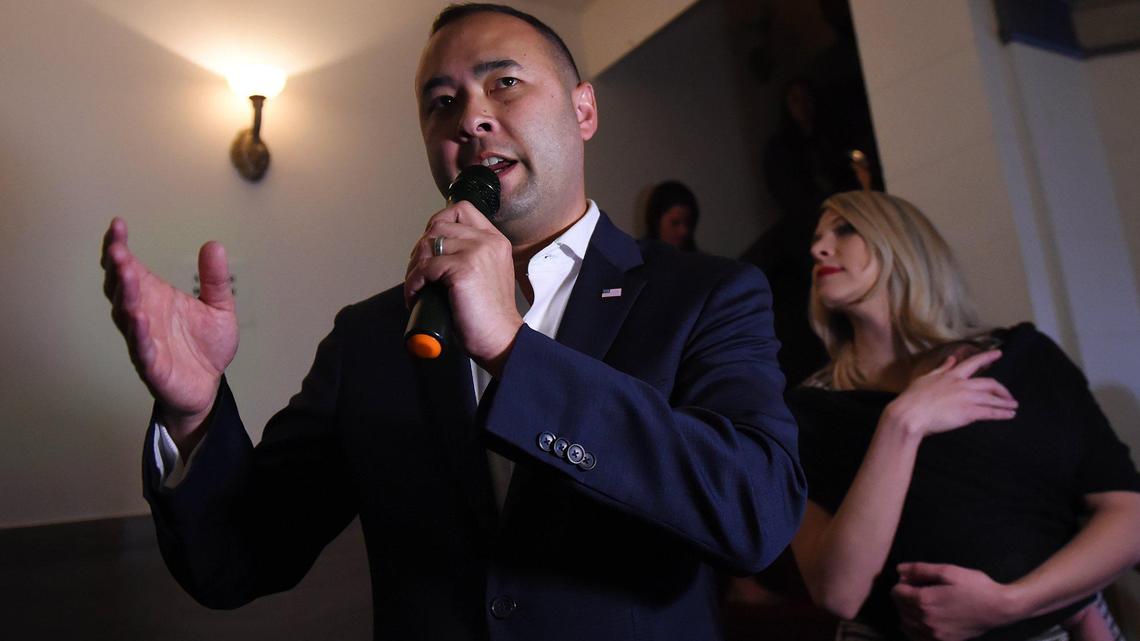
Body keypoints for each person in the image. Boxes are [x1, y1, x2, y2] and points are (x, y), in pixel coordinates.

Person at [99, 4, 806, 640]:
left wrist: (510, 349)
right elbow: (236, 559)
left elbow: (756, 515)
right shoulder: (371, 337)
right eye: (442, 102)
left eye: (504, 84)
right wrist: (192, 417)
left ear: (583, 110)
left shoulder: (706, 294)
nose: (470, 116)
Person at [786, 190, 1140, 641]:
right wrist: (902, 423)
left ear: (906, 245)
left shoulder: (1022, 359)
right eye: (817, 237)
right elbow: (838, 592)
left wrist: (1010, 603)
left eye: (846, 229)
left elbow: (1128, 513)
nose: (818, 248)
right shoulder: (806, 411)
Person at [643, 180, 700, 251]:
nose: (684, 231)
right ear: (656, 222)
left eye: (688, 223)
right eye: (675, 223)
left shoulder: (699, 260)